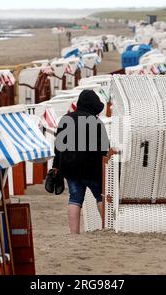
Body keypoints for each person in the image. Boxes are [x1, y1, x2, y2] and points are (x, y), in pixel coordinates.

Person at [52, 90, 110, 234]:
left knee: (75, 199)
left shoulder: (66, 119)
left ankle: (74, 234)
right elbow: (105, 149)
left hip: (70, 168)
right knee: (100, 196)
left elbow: (58, 147)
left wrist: (56, 166)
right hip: (92, 169)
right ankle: (107, 228)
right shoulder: (96, 122)